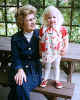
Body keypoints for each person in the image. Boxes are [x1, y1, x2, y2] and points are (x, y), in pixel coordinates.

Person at [8, 4, 42, 100]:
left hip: (34, 71)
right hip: (19, 69)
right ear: (22, 23)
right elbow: (15, 57)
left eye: (34, 19)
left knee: (19, 86)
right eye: (29, 20)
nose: (33, 22)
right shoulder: (15, 38)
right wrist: (19, 69)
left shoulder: (40, 34)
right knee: (19, 85)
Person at [39, 5, 68, 88]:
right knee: (47, 66)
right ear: (45, 19)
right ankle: (45, 79)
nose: (52, 20)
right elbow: (40, 40)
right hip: (47, 51)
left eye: (54, 17)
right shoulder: (43, 29)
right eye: (49, 18)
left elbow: (65, 39)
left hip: (57, 51)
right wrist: (40, 50)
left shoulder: (61, 29)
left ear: (58, 17)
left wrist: (64, 48)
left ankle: (57, 80)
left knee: (56, 66)